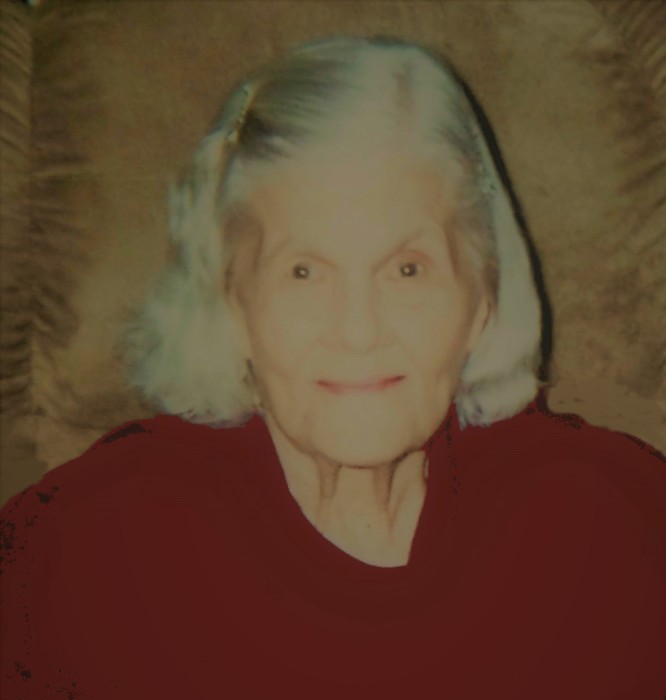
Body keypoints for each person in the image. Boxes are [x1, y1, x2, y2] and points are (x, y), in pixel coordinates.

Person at [1, 35, 664, 700]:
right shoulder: (92, 549)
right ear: (230, 301)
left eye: (408, 269)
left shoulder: (611, 523)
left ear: (482, 298)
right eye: (304, 271)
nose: (358, 331)